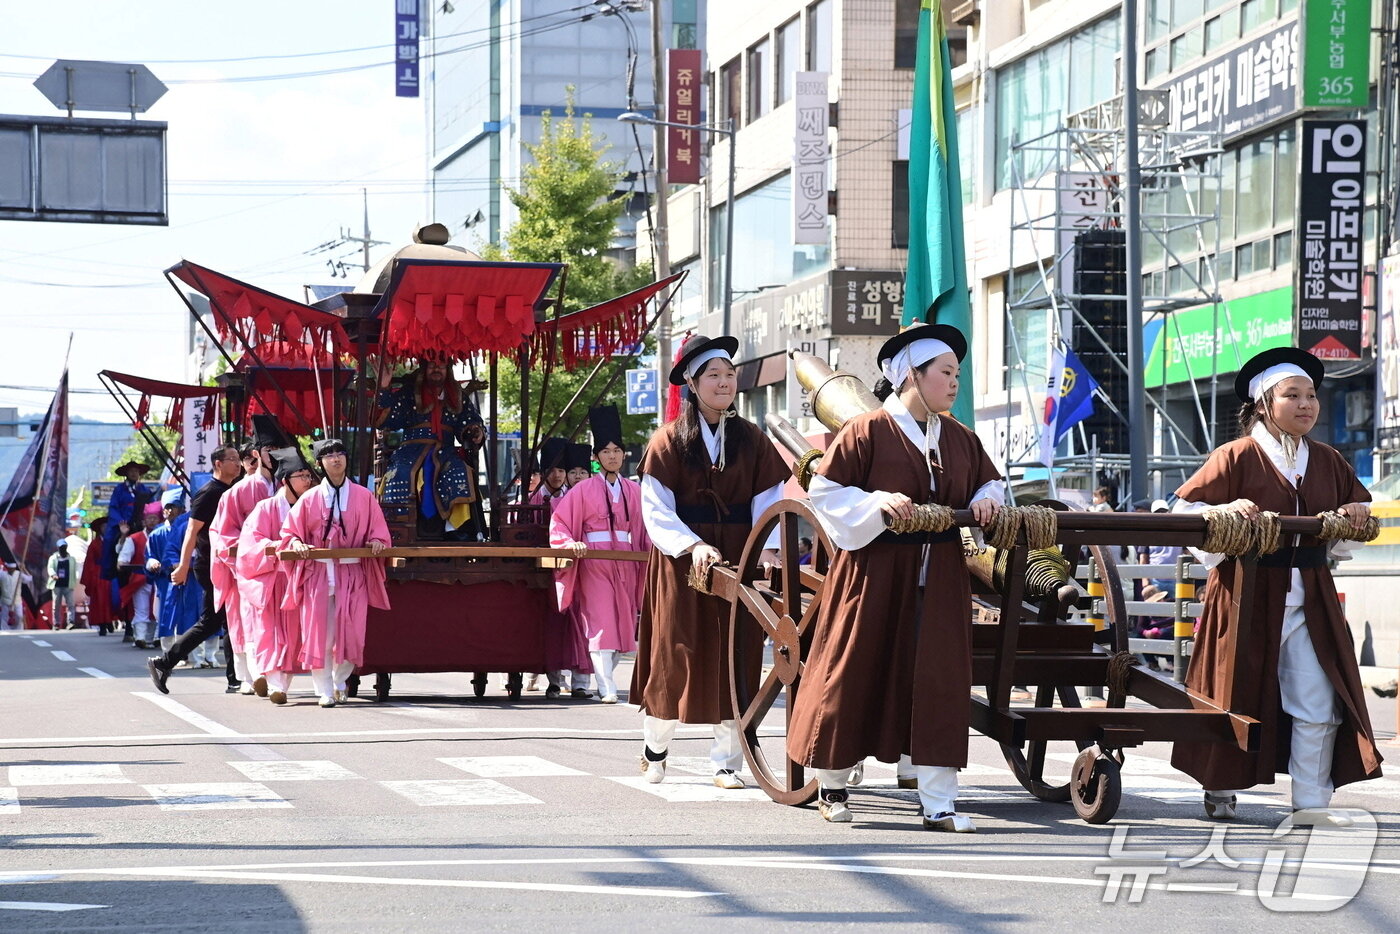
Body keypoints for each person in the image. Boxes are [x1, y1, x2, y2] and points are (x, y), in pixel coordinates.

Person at [785, 324, 1003, 832]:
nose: (955, 383)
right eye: (945, 372)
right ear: (912, 376)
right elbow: (826, 492)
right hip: (874, 573)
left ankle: (940, 802)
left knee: (941, 680)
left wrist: (985, 499)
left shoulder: (960, 438)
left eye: (957, 373)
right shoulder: (867, 431)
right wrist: (877, 502)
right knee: (853, 670)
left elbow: (990, 481)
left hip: (941, 577)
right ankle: (832, 783)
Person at [1170, 347, 1383, 822]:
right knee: (1233, 693)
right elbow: (1182, 512)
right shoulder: (1235, 455)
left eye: (1311, 395)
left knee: (1319, 700)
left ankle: (1311, 803)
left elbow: (1356, 521)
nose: (1306, 404)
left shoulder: (1328, 460)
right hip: (1245, 595)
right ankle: (1221, 785)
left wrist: (1354, 514)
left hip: (1311, 598)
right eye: (1293, 395)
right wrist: (1222, 512)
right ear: (1264, 404)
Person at [633, 335, 790, 790]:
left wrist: (768, 546)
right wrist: (692, 545)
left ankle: (727, 762)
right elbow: (656, 510)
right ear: (692, 383)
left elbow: (769, 498)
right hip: (682, 563)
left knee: (737, 651)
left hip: (739, 556)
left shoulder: (751, 438)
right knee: (674, 652)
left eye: (729, 374)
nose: (725, 383)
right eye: (714, 375)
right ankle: (655, 747)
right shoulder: (667, 441)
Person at [280, 439, 392, 708]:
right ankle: (324, 690)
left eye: (340, 453)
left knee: (352, 630)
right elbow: (290, 533)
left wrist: (377, 541)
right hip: (319, 575)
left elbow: (379, 530)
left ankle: (340, 681)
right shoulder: (309, 498)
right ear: (320, 463)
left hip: (352, 574)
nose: (336, 459)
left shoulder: (364, 496)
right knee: (321, 633)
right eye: (328, 455)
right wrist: (296, 542)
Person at [550, 405, 650, 704]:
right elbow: (560, 523)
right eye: (606, 451)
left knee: (623, 623)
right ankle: (607, 686)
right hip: (594, 561)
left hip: (626, 561)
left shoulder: (634, 490)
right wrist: (571, 542)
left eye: (617, 451)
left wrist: (650, 553)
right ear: (596, 457)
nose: (612, 456)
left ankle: (605, 679)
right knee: (601, 620)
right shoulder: (582, 490)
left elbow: (646, 530)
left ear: (624, 455)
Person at [146, 444, 243, 694]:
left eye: (238, 459)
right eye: (232, 459)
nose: (238, 463)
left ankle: (233, 678)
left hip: (226, 564)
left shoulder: (232, 490)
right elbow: (191, 531)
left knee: (221, 620)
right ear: (218, 464)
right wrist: (183, 566)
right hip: (210, 564)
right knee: (219, 620)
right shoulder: (209, 492)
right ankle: (167, 663)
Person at [209, 416, 289, 693]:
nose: (274, 455)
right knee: (245, 620)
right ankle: (248, 676)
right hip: (247, 569)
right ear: (256, 453)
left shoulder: (286, 488)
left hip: (280, 568)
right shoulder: (238, 492)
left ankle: (273, 673)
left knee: (275, 624)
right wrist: (250, 557)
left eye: (278, 449)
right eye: (269, 450)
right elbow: (223, 534)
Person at [238, 446, 318, 706]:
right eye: (301, 476)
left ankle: (279, 683)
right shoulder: (265, 507)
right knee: (270, 633)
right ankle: (274, 683)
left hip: (299, 579)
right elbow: (251, 543)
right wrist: (280, 546)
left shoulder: (311, 507)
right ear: (286, 480)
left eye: (308, 475)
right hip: (273, 580)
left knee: (294, 636)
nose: (307, 480)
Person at [377, 359, 487, 541]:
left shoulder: (457, 395)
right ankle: (400, 527)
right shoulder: (409, 393)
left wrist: (475, 431)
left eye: (441, 365)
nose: (436, 369)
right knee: (403, 472)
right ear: (424, 368)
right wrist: (384, 388)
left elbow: (469, 420)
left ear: (447, 369)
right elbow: (388, 421)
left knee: (459, 471)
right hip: (411, 450)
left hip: (446, 450)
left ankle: (454, 528)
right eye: (432, 365)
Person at [118, 504, 161, 647]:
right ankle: (140, 637)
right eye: (149, 518)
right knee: (141, 609)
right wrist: (122, 563)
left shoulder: (164, 535)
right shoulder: (134, 538)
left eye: (155, 518)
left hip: (159, 579)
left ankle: (156, 637)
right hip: (140, 579)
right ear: (144, 521)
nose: (152, 521)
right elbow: (123, 559)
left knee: (158, 610)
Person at [1142, 498, 1183, 593]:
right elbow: (1143, 558)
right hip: (1155, 578)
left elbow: (1186, 553)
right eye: (1158, 512)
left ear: (1168, 512)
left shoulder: (1179, 531)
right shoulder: (1148, 533)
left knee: (1178, 602)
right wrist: (1145, 579)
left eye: (1163, 511)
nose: (1161, 514)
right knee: (1155, 602)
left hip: (1175, 578)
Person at [46, 539, 76, 629]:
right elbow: (50, 568)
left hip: (68, 584)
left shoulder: (71, 559)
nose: (63, 549)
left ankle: (71, 622)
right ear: (58, 548)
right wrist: (53, 575)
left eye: (64, 547)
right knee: (56, 605)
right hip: (57, 585)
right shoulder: (53, 558)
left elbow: (75, 570)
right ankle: (56, 623)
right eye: (61, 547)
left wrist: (76, 578)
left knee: (70, 604)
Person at [0, 560, 31, 630]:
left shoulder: (19, 574)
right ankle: (4, 632)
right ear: (7, 568)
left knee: (19, 617)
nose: (11, 570)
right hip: (5, 601)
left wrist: (24, 569)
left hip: (17, 601)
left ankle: (18, 631)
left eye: (13, 569)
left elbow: (29, 579)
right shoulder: (2, 574)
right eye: (10, 569)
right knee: (4, 618)